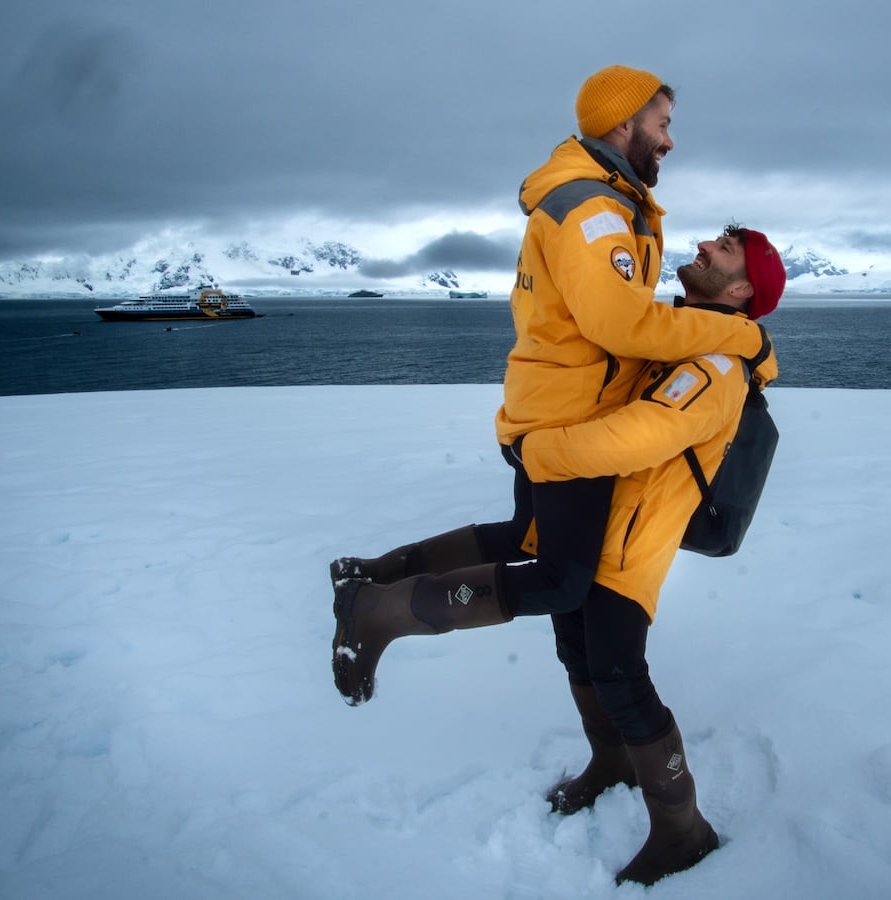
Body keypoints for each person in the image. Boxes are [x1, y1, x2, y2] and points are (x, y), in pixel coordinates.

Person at [330, 64, 768, 705]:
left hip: (557, 402)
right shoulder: (594, 208)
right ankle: (378, 611)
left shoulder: (605, 196)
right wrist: (742, 336)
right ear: (625, 122)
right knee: (561, 580)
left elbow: (615, 314)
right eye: (663, 124)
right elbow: (621, 324)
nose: (670, 141)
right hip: (571, 418)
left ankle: (370, 576)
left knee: (522, 538)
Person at [512, 224, 783, 885]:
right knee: (576, 651)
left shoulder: (715, 364)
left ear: (742, 288)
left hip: (631, 547)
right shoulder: (682, 335)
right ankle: (610, 765)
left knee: (620, 677)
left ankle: (682, 830)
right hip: (591, 528)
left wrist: (542, 454)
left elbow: (642, 436)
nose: (705, 247)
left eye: (723, 249)